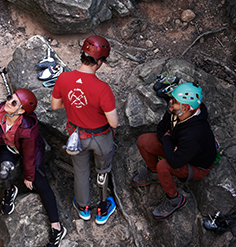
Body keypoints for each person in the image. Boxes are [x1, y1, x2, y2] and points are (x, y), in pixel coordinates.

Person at [0, 88, 66, 247]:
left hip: (29, 152)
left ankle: (56, 227)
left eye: (14, 102)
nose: (8, 102)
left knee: (41, 184)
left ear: (21, 110)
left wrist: (29, 176)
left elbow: (29, 155)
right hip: (7, 148)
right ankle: (10, 190)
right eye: (9, 98)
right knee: (3, 171)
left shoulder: (27, 127)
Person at [51, 35, 119, 225]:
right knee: (102, 171)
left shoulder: (64, 78)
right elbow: (113, 123)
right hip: (100, 137)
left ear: (82, 55)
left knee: (80, 171)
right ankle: (102, 209)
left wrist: (76, 105)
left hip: (77, 136)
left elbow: (55, 105)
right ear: (99, 62)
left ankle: (83, 208)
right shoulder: (103, 89)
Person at [132, 82, 217, 219]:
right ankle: (153, 174)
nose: (170, 102)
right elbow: (160, 128)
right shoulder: (175, 112)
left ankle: (175, 199)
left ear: (187, 107)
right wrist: (170, 143)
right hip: (178, 150)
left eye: (175, 101)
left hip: (197, 166)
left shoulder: (194, 134)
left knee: (164, 166)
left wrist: (167, 140)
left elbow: (174, 162)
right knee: (143, 141)